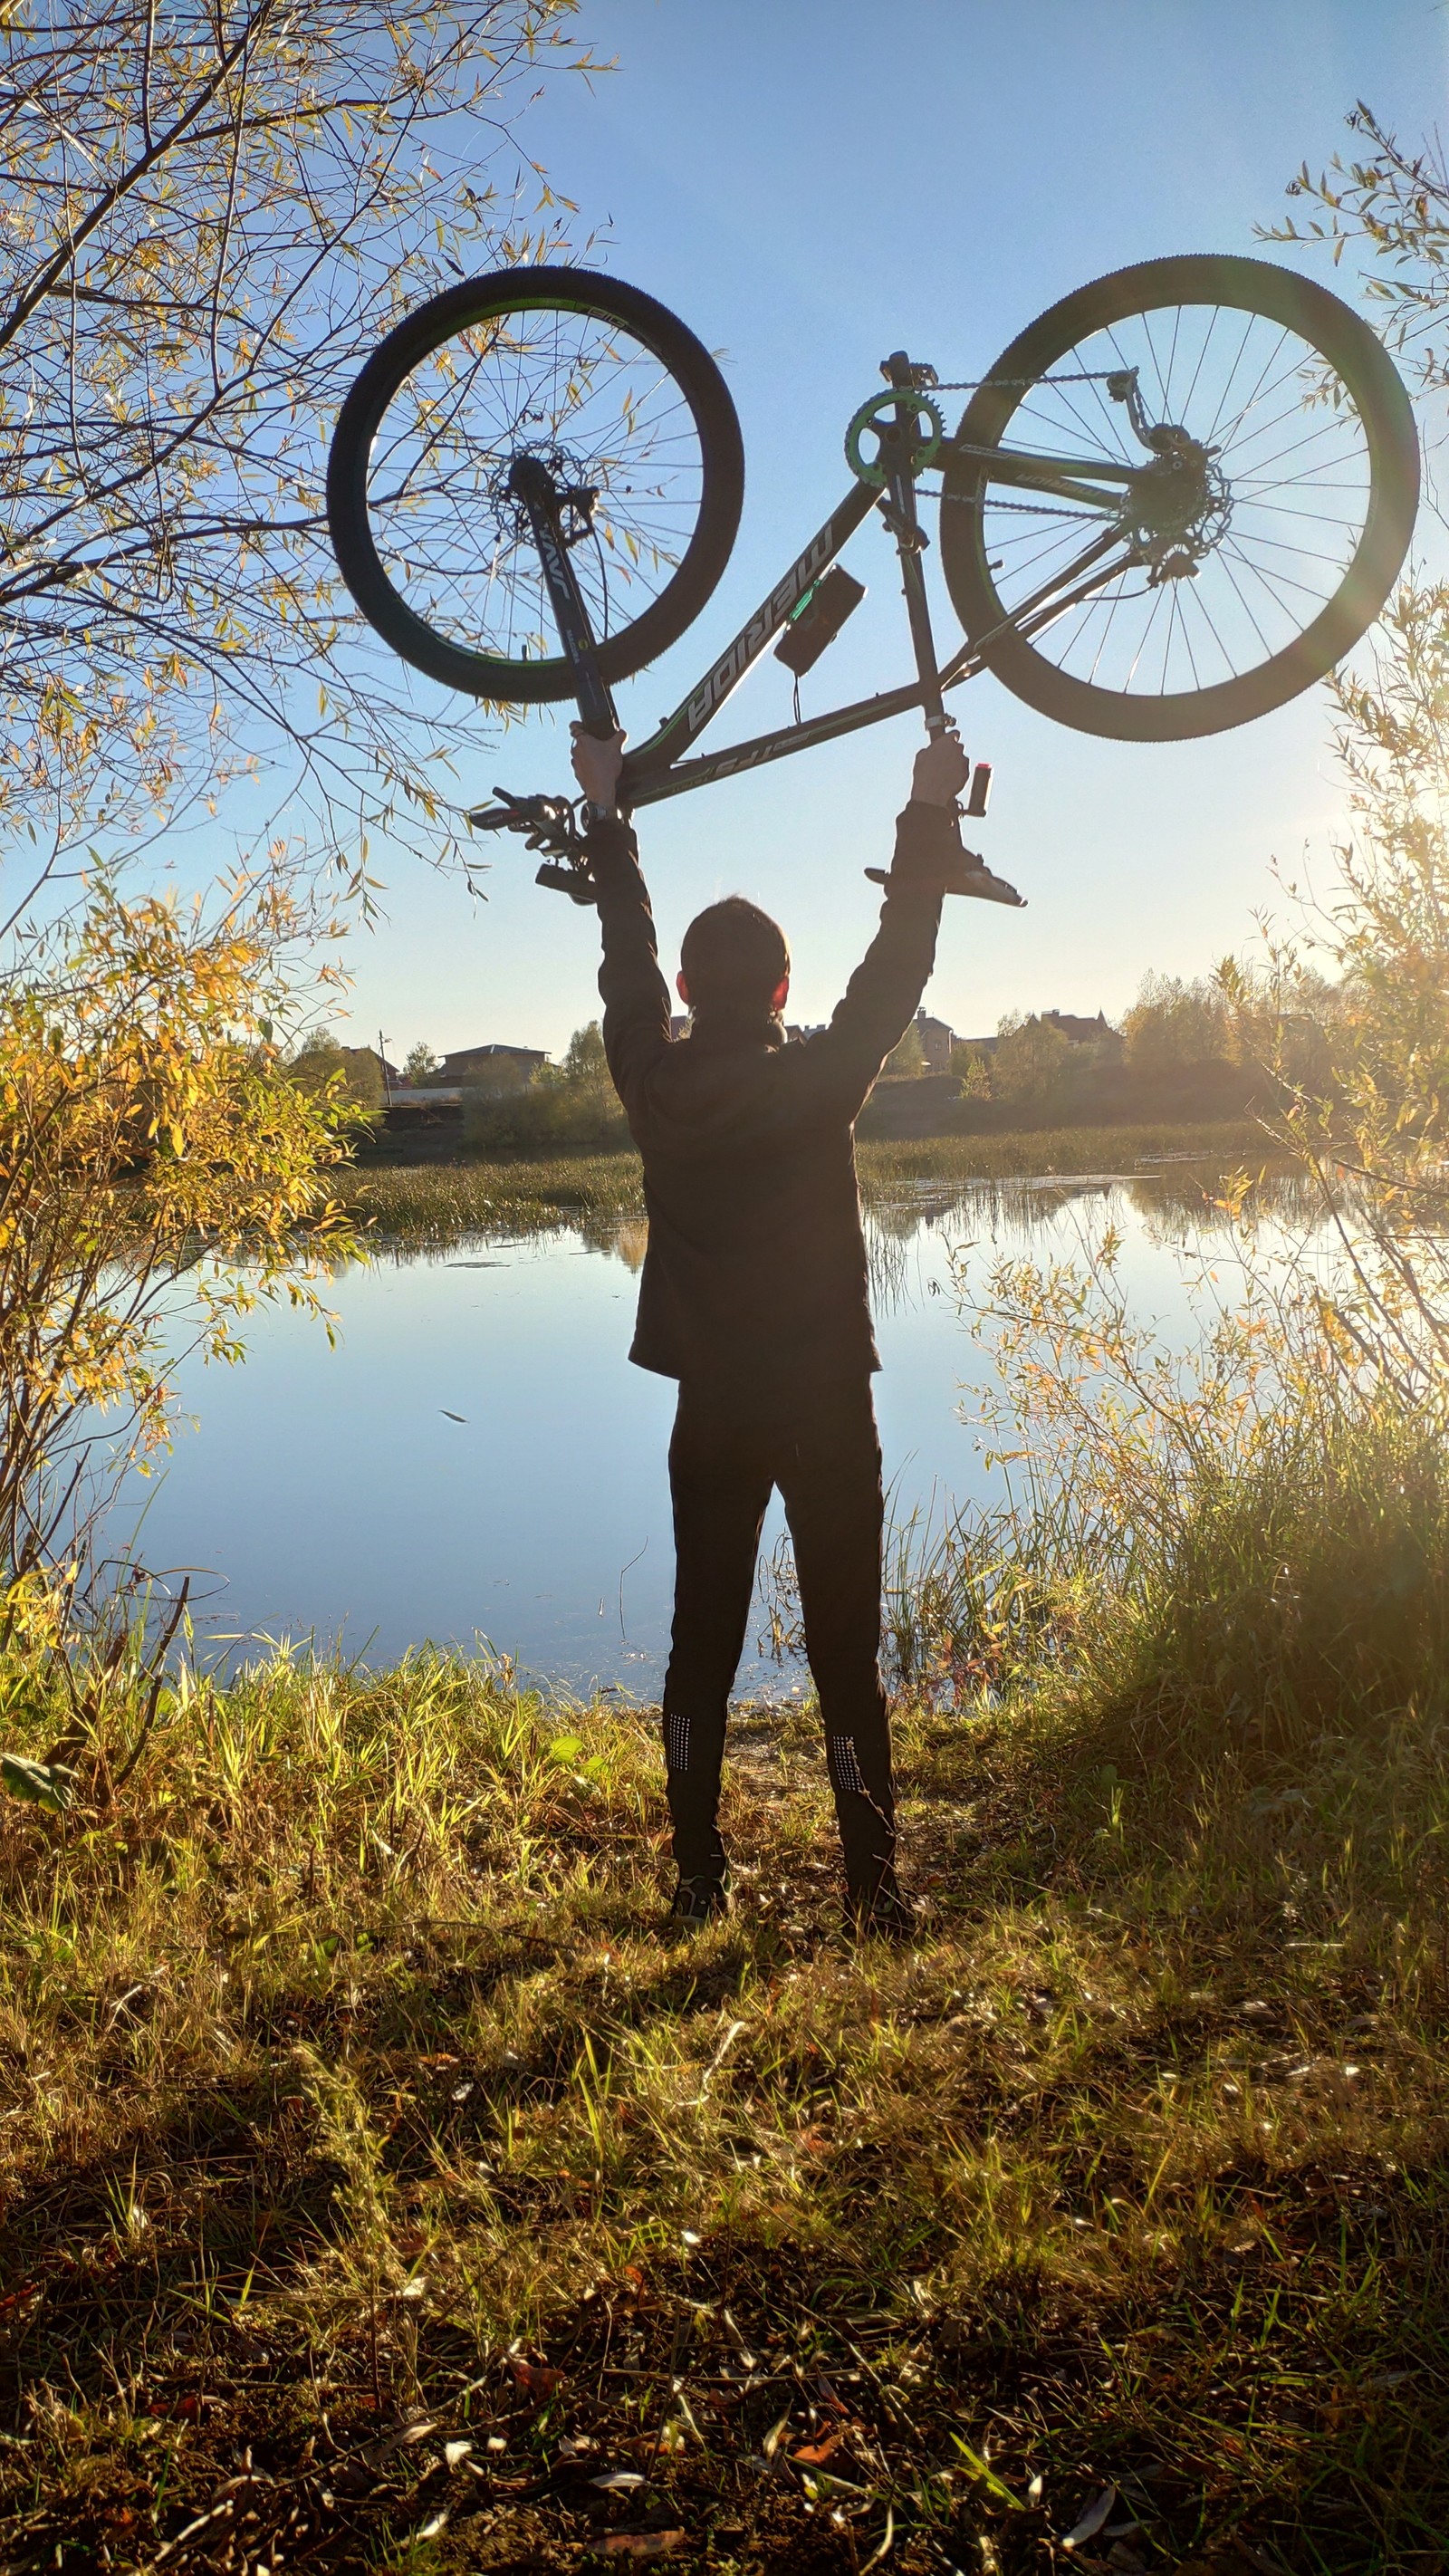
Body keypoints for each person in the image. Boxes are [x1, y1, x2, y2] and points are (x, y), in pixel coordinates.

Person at [571, 720, 978, 1937]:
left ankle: (699, 1882)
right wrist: (926, 808)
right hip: (824, 1406)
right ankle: (876, 1892)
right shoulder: (818, 1078)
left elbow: (621, 962)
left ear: (695, 993)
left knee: (702, 1644)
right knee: (847, 1653)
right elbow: (898, 968)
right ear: (785, 991)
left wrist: (608, 813)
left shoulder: (653, 1081)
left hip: (716, 1413)